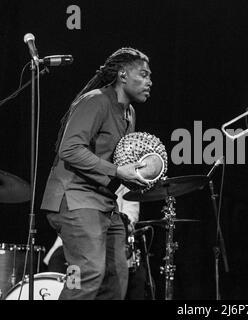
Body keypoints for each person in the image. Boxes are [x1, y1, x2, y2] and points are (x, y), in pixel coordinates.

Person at [40, 47, 152, 300]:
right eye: (143, 75)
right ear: (123, 75)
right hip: (74, 200)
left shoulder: (129, 113)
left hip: (104, 204)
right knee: (85, 275)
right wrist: (116, 170)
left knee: (116, 279)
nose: (149, 82)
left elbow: (119, 162)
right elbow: (68, 149)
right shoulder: (96, 101)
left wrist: (141, 177)